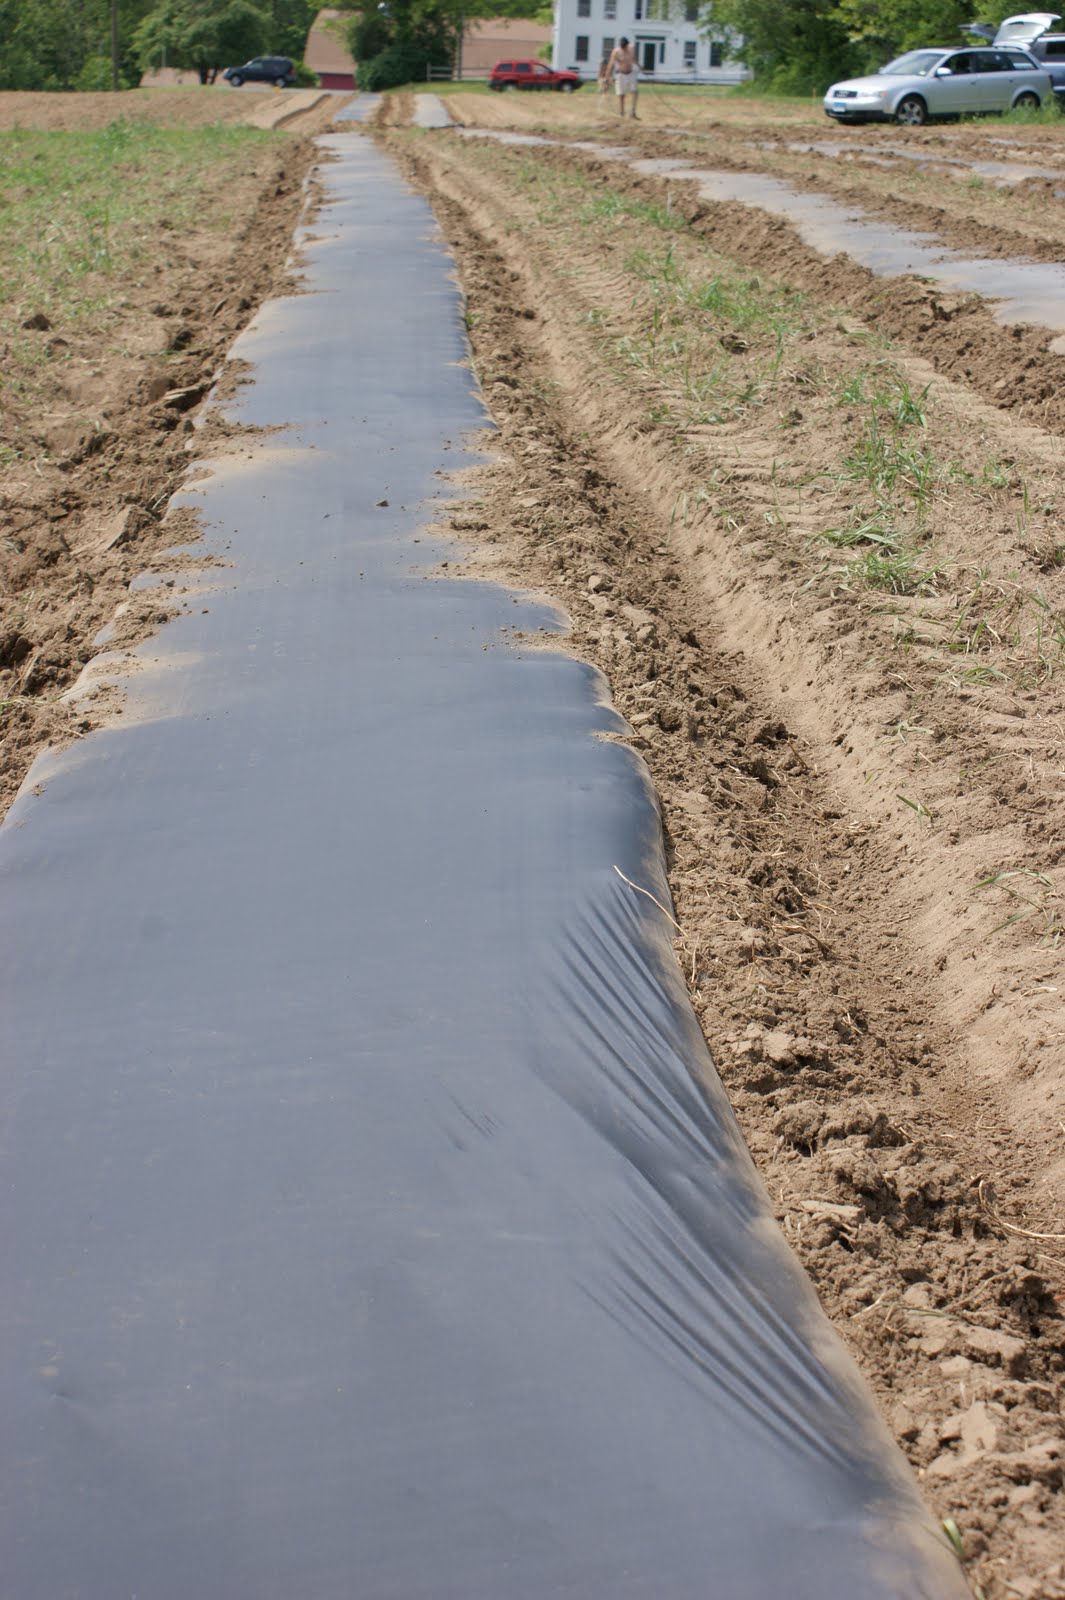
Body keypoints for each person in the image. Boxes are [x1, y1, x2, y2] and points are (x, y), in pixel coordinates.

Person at [608, 37, 639, 118]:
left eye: (625, 47)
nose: (624, 49)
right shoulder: (616, 52)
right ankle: (622, 112)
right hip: (621, 74)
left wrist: (640, 66)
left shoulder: (632, 48)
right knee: (621, 94)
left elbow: (634, 59)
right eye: (622, 47)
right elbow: (611, 64)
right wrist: (607, 76)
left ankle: (633, 112)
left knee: (634, 92)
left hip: (631, 73)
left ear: (627, 45)